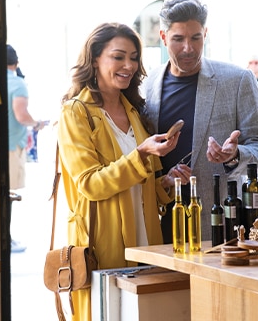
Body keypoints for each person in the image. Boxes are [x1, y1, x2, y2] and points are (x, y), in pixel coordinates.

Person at [56, 22, 179, 321]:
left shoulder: (135, 111)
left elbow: (139, 184)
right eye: (118, 56)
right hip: (102, 243)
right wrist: (141, 155)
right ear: (95, 58)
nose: (129, 65)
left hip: (145, 241)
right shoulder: (75, 112)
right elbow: (90, 184)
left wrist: (166, 182)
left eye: (134, 57)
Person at [142, 0, 258, 243]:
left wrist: (235, 156)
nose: (188, 48)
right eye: (178, 39)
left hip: (218, 227)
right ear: (163, 37)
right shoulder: (147, 85)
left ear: (206, 33)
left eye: (195, 38)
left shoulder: (237, 80)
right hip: (158, 226)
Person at [6, 44, 46, 252]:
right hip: (12, 146)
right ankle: (6, 238)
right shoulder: (17, 83)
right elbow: (21, 115)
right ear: (16, 62)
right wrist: (37, 123)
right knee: (7, 196)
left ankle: (2, 237)